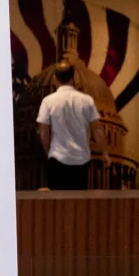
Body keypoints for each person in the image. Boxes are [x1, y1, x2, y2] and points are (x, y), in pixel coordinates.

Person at [35, 63, 99, 191]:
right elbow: (97, 129)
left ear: (55, 78)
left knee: (57, 206)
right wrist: (105, 153)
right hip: (81, 161)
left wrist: (49, 151)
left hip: (57, 159)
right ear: (72, 77)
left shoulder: (48, 101)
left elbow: (43, 132)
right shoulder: (87, 100)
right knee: (79, 205)